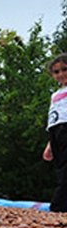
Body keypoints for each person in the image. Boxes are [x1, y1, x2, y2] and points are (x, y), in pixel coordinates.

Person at [43, 52, 67, 212]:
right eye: (57, 72)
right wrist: (50, 144)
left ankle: (59, 206)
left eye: (65, 69)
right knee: (60, 167)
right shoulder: (55, 95)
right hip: (56, 131)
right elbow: (53, 117)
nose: (61, 74)